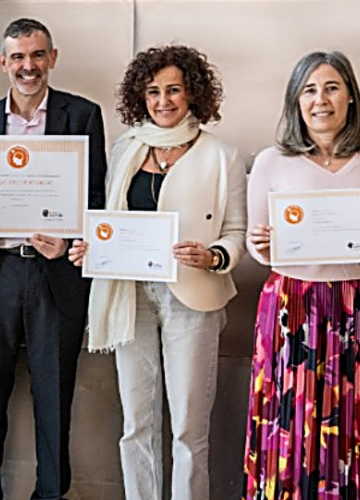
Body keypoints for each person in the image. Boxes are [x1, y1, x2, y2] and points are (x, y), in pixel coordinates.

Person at [65, 45, 245, 500]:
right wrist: (93, 247)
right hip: (131, 296)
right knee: (136, 423)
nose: (163, 101)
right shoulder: (125, 148)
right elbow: (109, 219)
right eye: (153, 92)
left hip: (193, 298)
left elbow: (237, 233)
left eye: (173, 90)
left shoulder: (221, 156)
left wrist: (214, 256)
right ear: (139, 97)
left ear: (193, 94)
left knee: (188, 428)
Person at [0, 18, 107, 500]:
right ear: (2, 62)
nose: (27, 66)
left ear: (53, 57)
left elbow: (96, 194)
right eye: (17, 57)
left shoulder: (83, 116)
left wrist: (71, 237)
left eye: (37, 55)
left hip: (55, 274)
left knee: (54, 398)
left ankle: (50, 494)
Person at [241, 51, 360, 500]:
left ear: (351, 96)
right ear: (296, 101)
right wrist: (259, 244)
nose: (321, 100)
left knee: (359, 418)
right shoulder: (273, 162)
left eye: (332, 87)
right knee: (291, 421)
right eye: (309, 90)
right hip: (292, 306)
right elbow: (258, 246)